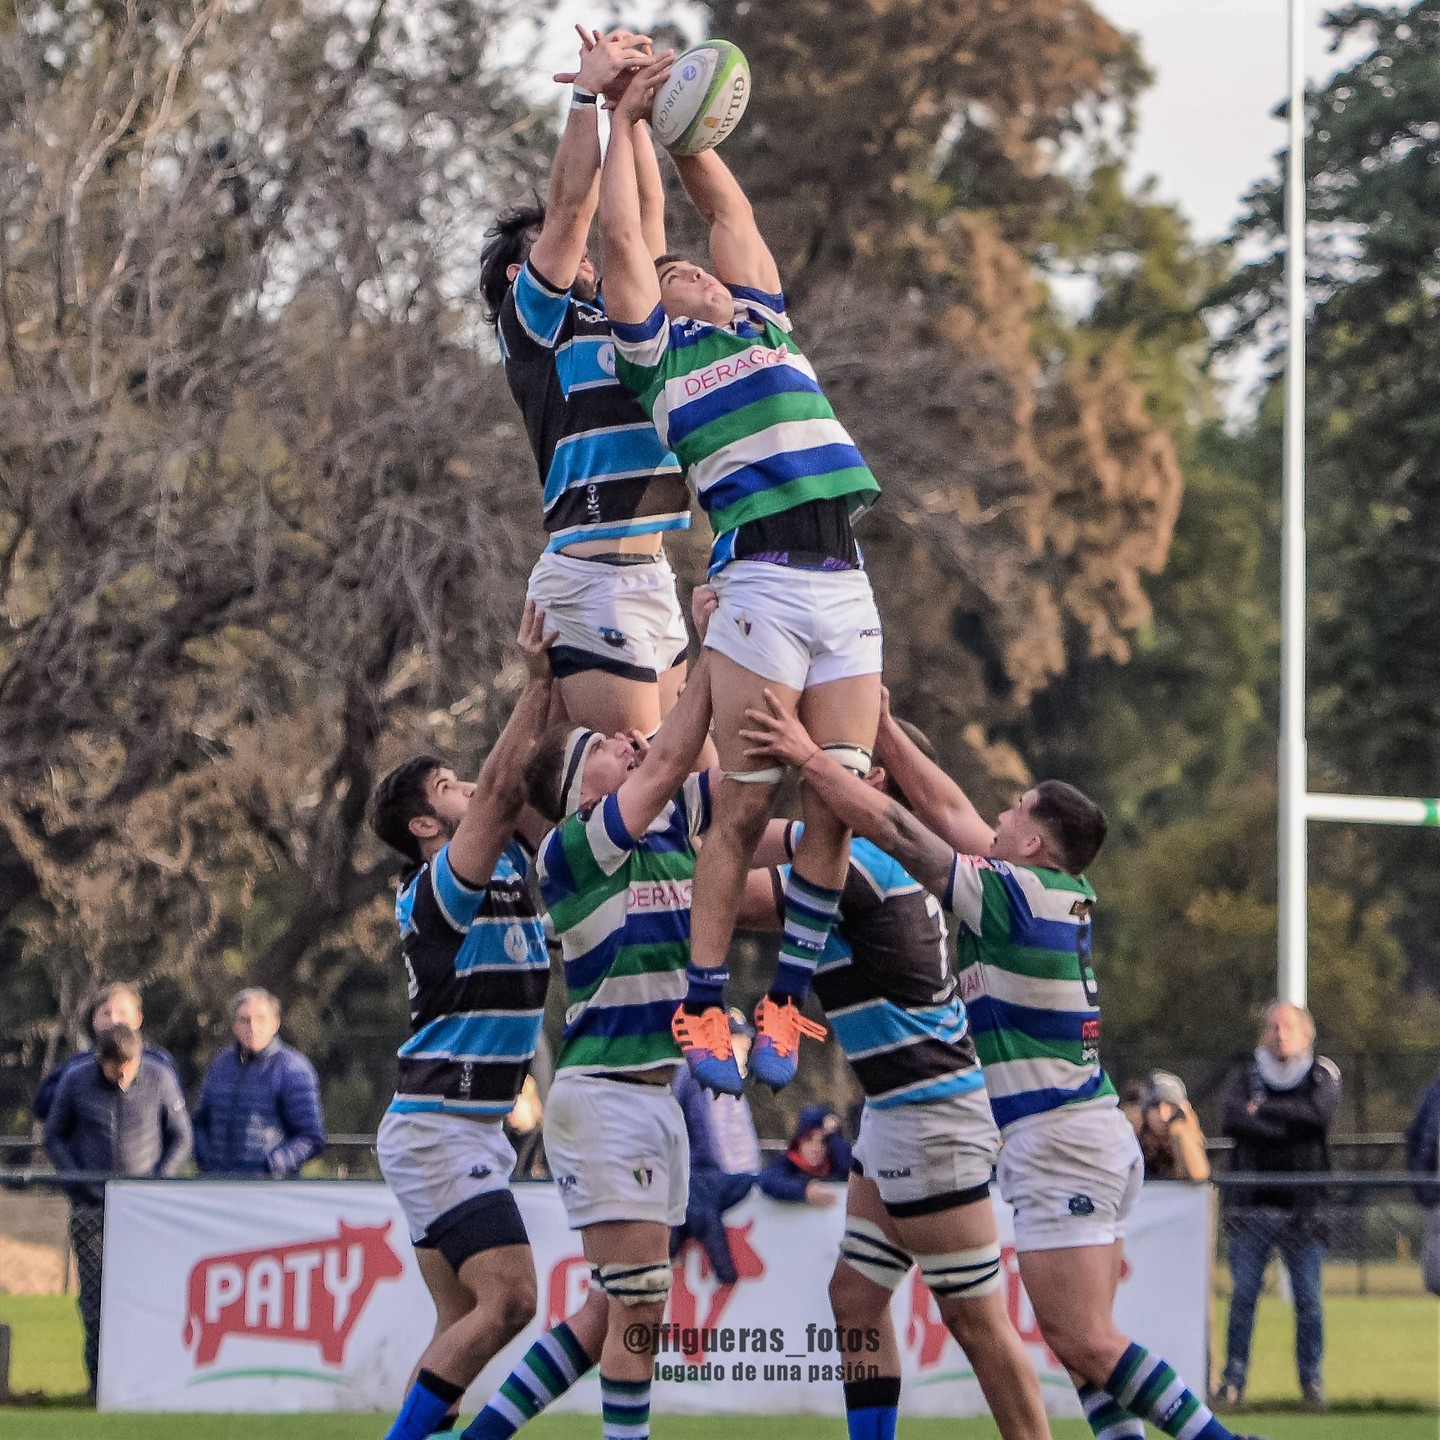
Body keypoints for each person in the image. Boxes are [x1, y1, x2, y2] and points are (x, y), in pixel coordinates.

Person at [740, 692, 1267, 1440]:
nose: (999, 813)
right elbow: (946, 808)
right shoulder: (1044, 888)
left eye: (1016, 810)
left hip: (1059, 1142)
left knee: (1080, 1339)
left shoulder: (1012, 896)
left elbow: (902, 826)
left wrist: (803, 754)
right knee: (1074, 1350)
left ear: (1034, 843)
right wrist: (881, 726)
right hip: (1077, 1132)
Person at [599, 57, 886, 1096]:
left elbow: (722, 202)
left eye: (701, 269)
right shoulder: (660, 362)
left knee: (838, 800)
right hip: (760, 581)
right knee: (745, 810)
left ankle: (787, 1001)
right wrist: (623, 119)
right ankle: (704, 1000)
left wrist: (680, 121)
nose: (696, 272)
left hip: (845, 577)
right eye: (679, 276)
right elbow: (625, 244)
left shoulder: (765, 318)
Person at [747, 755, 1055, 1440]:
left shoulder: (863, 865)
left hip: (932, 1111)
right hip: (897, 1110)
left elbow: (728, 899)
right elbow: (742, 835)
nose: (810, 780)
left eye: (829, 763)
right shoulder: (846, 854)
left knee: (976, 1321)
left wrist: (633, 867)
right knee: (855, 1298)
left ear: (874, 784)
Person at [367, 602, 565, 1440]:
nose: (472, 789)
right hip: (439, 1127)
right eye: (449, 787)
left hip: (462, 1127)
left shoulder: (511, 858)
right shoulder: (437, 887)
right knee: (512, 1300)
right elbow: (507, 785)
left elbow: (538, 785)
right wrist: (536, 679)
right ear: (424, 825)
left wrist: (566, 685)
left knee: (459, 1326)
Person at [479, 26, 693, 745]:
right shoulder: (534, 328)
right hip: (590, 579)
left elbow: (645, 220)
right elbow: (572, 209)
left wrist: (631, 112)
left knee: (700, 792)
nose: (579, 249)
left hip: (653, 572)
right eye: (546, 245)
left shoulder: (624, 313)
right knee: (639, 783)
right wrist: (584, 98)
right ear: (521, 273)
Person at [43, 1024, 191, 1398]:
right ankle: (98, 1384)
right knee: (94, 1299)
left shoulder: (159, 1078)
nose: (123, 1075)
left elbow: (181, 1136)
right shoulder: (76, 1080)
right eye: (115, 1068)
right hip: (92, 1210)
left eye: (129, 1066)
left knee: (149, 1295)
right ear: (100, 1060)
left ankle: (148, 1382)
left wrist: (158, 1181)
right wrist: (78, 1181)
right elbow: (53, 1136)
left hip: (144, 1213)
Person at [1216, 1002, 1340, 1413]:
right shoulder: (1244, 1075)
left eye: (1287, 1027)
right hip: (1251, 1208)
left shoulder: (1321, 1075)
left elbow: (1316, 1116)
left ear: (1306, 1035)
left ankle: (1311, 1382)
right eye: (1272, 1027)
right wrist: (1287, 1125)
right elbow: (1233, 1119)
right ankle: (1233, 1382)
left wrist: (1264, 1111)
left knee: (1308, 1301)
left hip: (1304, 1212)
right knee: (1243, 1298)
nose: (1279, 1034)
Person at [191, 988, 326, 1177]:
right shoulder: (220, 1065)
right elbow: (200, 1122)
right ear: (234, 1025)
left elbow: (311, 1137)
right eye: (244, 1020)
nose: (252, 1027)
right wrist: (205, 1160)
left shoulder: (293, 1069)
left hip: (269, 1188)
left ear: (275, 1024)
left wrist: (274, 1165)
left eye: (261, 1019)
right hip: (217, 1184)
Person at [671, 1008, 762, 1283]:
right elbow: (706, 1138)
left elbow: (739, 1137)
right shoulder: (699, 1077)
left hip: (723, 1181)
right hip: (706, 1181)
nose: (745, 1047)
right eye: (738, 1040)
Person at [33, 981, 179, 1124]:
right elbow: (43, 1109)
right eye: (106, 1013)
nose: (114, 1020)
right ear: (95, 1020)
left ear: (138, 1019)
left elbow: (175, 1117)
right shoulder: (76, 1066)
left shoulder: (159, 1063)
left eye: (122, 1013)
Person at [756, 1105, 851, 1206]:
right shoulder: (787, 1164)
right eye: (809, 1140)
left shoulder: (836, 1165)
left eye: (823, 1142)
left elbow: (849, 1164)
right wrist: (803, 1191)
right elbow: (768, 1180)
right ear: (799, 1142)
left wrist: (833, 1134)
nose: (816, 1149)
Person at [1132, 1071, 1210, 1183]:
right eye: (1156, 1106)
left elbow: (1199, 1175)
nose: (1163, 1116)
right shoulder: (1135, 1142)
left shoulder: (1183, 1136)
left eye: (1171, 1107)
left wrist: (1180, 1133)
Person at [1405, 1071, 1440, 1295]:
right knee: (1435, 1277)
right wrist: (1425, 1189)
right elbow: (1417, 1138)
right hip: (1438, 1197)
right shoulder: (1435, 1092)